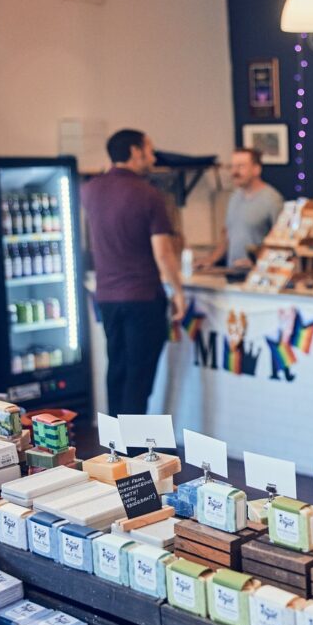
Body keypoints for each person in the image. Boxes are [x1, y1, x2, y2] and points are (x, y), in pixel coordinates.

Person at [83, 129, 185, 416]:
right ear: (134, 151)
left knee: (117, 369)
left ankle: (113, 448)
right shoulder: (149, 195)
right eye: (149, 150)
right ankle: (136, 451)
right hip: (143, 297)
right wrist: (178, 292)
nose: (153, 157)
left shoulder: (90, 190)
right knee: (139, 377)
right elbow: (163, 254)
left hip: (107, 298)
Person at [197, 148, 283, 269]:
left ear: (256, 169)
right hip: (232, 271)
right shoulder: (234, 197)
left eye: (241, 166)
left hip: (258, 275)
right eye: (233, 166)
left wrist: (257, 262)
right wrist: (211, 259)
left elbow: (282, 242)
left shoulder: (272, 200)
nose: (235, 172)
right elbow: (227, 234)